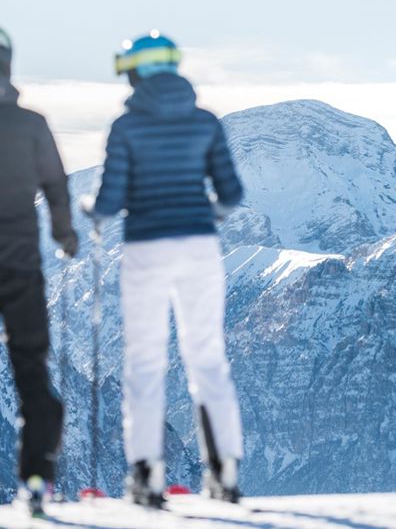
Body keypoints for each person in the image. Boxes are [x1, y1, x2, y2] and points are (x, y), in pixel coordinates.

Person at [82, 32, 244, 506]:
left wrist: (91, 207)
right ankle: (225, 472)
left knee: (145, 360)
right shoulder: (205, 123)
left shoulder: (126, 127)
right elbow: (231, 194)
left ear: (136, 71)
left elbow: (109, 202)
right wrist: (202, 214)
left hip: (146, 248)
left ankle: (147, 477)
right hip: (199, 246)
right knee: (207, 356)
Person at [0, 28, 78, 516]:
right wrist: (65, 235)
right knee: (31, 371)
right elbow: (56, 185)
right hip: (20, 266)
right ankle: (36, 479)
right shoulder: (32, 125)